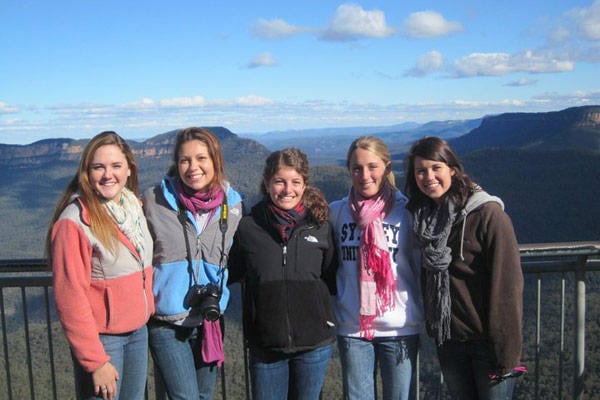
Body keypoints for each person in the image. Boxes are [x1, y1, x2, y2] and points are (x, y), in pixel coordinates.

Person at [404, 136, 524, 400]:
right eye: (420, 171)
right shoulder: (424, 221)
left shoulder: (488, 216)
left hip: (488, 344)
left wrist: (506, 353)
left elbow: (507, 287)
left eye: (436, 168)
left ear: (453, 170)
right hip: (449, 341)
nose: (428, 176)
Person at [47, 131, 154, 400]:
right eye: (99, 167)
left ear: (129, 169)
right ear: (87, 172)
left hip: (138, 331)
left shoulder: (132, 208)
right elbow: (70, 297)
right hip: (104, 342)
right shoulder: (74, 221)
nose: (108, 175)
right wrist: (96, 362)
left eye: (116, 166)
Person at [228, 147, 338, 400]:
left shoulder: (320, 226)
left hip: (314, 344)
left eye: (295, 182)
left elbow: (330, 277)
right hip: (266, 346)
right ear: (267, 183)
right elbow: (231, 272)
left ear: (305, 185)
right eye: (279, 181)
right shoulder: (248, 227)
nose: (288, 190)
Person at [142, 127, 243, 400]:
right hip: (167, 322)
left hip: (209, 320)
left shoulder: (233, 206)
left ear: (215, 161)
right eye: (185, 160)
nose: (193, 167)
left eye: (201, 158)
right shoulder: (153, 200)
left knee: (203, 397)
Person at [329, 136, 424, 400]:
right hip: (353, 327)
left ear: (387, 167)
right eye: (357, 168)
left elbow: (419, 266)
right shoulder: (337, 212)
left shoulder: (407, 212)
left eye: (372, 166)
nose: (364, 175)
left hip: (399, 327)